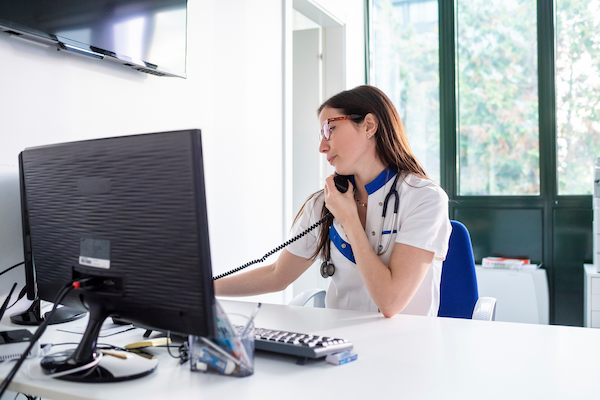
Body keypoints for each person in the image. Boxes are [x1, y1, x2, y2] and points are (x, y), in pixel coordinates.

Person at [214, 85, 451, 318]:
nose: (321, 146)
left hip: (406, 348)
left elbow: (391, 302)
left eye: (330, 129)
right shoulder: (324, 202)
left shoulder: (425, 199)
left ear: (369, 126)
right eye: (320, 135)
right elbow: (277, 275)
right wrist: (202, 288)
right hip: (338, 345)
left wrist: (349, 219)